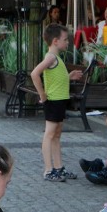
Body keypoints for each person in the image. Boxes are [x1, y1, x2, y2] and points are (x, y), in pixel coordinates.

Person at [30, 23, 83, 182]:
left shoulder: (56, 58)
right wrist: (43, 95)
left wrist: (68, 76)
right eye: (65, 39)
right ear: (55, 41)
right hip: (53, 101)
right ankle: (48, 170)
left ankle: (59, 167)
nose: (68, 42)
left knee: (56, 133)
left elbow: (54, 78)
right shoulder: (51, 57)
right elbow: (35, 74)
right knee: (50, 133)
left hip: (59, 100)